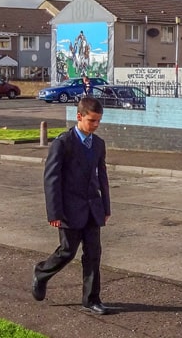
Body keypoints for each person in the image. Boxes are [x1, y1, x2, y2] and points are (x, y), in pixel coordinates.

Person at [32, 96, 111, 315]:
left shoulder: (98, 144)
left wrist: (106, 207)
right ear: (79, 117)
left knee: (93, 254)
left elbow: (101, 177)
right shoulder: (63, 143)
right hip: (69, 209)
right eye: (91, 120)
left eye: (98, 121)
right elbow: (52, 179)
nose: (95, 125)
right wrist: (54, 212)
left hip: (93, 209)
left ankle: (91, 299)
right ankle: (41, 273)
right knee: (67, 252)